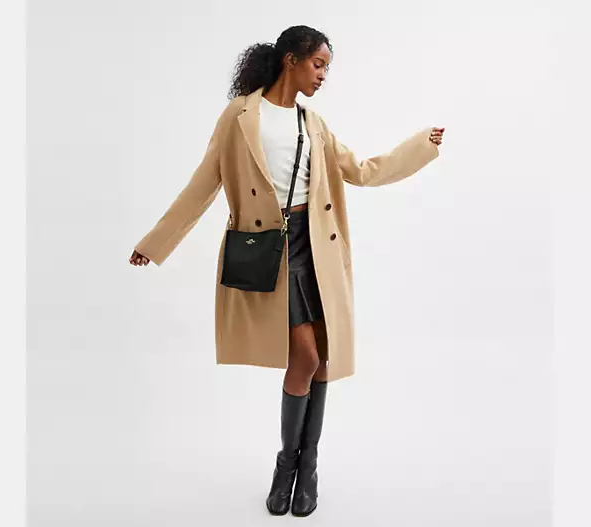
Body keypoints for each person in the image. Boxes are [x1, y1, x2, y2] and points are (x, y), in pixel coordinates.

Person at [129, 25, 444, 517]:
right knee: (305, 357)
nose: (323, 76)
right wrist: (156, 243)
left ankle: (307, 468)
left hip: (316, 244)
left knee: (322, 360)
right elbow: (204, 183)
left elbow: (362, 171)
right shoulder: (240, 115)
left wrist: (421, 146)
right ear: (290, 60)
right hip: (271, 249)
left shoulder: (313, 124)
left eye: (327, 68)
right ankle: (285, 466)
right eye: (318, 64)